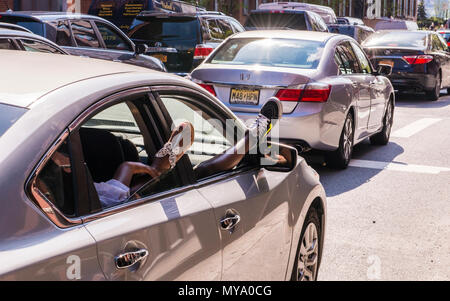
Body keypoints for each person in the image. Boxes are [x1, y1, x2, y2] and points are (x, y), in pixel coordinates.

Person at [94, 97, 283, 208]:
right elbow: (127, 167)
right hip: (135, 202)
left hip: (124, 197)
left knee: (198, 168)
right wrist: (150, 170)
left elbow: (126, 167)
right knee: (202, 170)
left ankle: (162, 166)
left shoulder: (91, 193)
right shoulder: (102, 194)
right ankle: (251, 136)